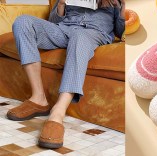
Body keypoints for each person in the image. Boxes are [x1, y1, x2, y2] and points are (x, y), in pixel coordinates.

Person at [6, 0, 125, 149]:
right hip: (63, 29)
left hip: (93, 32)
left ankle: (57, 113)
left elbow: (121, 31)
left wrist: (122, 6)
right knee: (22, 22)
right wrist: (61, 3)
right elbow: (53, 21)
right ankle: (38, 99)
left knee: (79, 38)